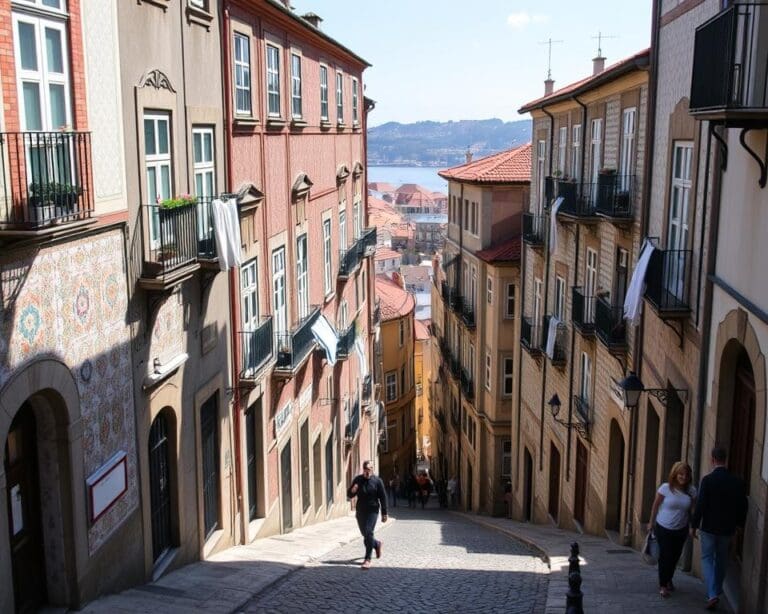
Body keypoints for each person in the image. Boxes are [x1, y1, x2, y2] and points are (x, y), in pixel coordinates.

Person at [690, 446, 748, 610]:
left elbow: (700, 505)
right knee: (722, 560)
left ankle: (712, 593)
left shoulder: (707, 480)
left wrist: (694, 525)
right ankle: (715, 590)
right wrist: (739, 525)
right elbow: (744, 505)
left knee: (707, 559)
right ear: (726, 459)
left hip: (709, 528)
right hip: (727, 529)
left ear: (712, 459)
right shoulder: (737, 481)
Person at [649, 461, 697, 598]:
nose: (683, 477)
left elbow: (693, 510)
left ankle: (669, 578)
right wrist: (651, 522)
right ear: (675, 474)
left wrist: (692, 526)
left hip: (681, 529)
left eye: (686, 475)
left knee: (675, 557)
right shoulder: (665, 488)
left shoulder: (692, 491)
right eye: (681, 474)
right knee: (665, 556)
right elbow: (655, 505)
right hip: (663, 527)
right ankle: (663, 585)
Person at [347, 460, 388, 570]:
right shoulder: (358, 480)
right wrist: (353, 490)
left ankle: (367, 559)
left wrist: (384, 513)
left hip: (373, 510)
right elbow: (349, 495)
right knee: (365, 534)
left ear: (372, 469)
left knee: (369, 531)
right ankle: (377, 544)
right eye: (365, 469)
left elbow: (383, 497)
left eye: (369, 469)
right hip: (360, 511)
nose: (367, 472)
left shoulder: (377, 481)